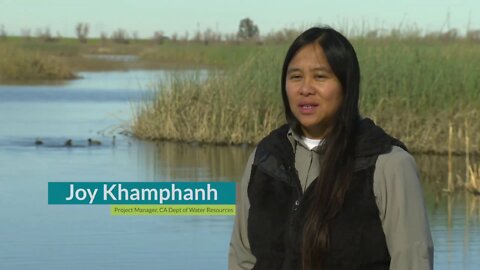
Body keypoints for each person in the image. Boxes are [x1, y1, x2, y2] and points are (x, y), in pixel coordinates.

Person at [228, 26, 434, 270]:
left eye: (320, 77)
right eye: (295, 77)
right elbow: (242, 258)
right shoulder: (264, 159)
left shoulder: (388, 164)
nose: (305, 89)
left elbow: (411, 262)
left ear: (347, 86)